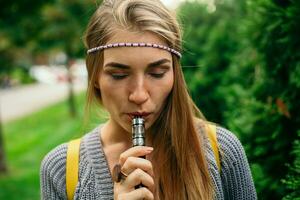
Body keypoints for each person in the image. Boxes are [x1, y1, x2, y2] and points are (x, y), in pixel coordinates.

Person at [40, 0, 257, 199]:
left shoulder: (222, 150)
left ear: (174, 73)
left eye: (157, 73)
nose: (139, 95)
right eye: (119, 75)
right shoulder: (61, 169)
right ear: (94, 76)